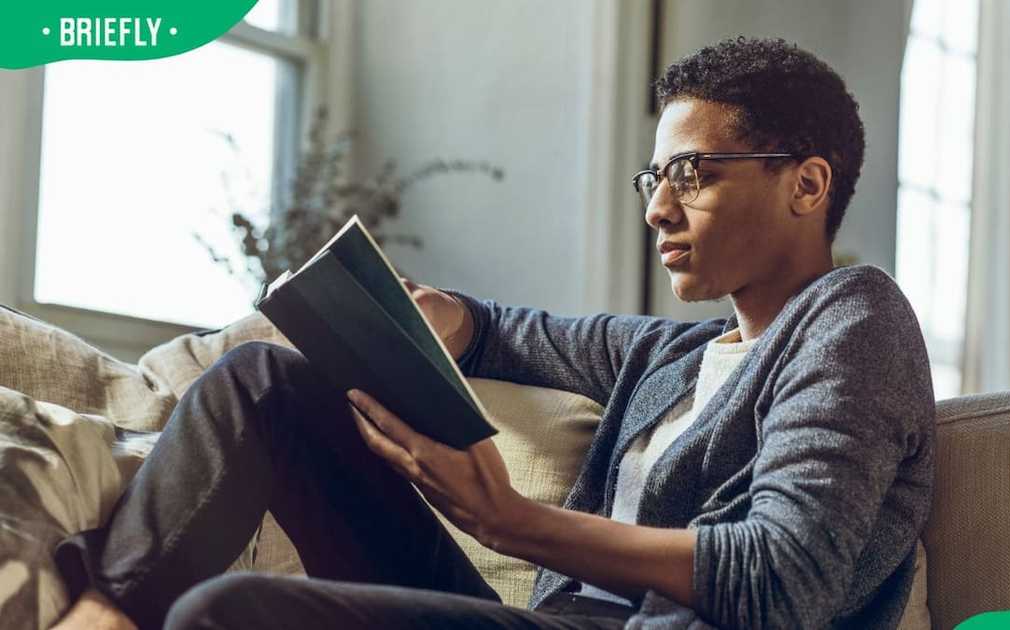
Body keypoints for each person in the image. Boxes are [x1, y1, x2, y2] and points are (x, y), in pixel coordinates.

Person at [49, 36, 933, 630]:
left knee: (233, 612)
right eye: (653, 177)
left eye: (693, 174)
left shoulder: (853, 319)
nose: (659, 206)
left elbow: (785, 576)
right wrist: (438, 318)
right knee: (258, 384)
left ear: (807, 185)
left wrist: (512, 522)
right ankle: (102, 617)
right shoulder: (675, 356)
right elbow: (511, 334)